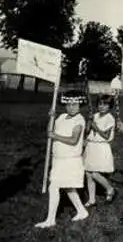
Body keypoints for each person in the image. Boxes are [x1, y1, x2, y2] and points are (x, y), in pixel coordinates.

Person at [35, 90, 89, 228]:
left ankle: (50, 219)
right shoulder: (61, 117)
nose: (71, 107)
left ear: (80, 105)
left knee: (54, 186)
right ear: (65, 105)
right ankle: (82, 211)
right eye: (69, 104)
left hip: (70, 160)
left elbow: (73, 140)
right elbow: (49, 132)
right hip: (58, 159)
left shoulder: (79, 120)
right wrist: (51, 118)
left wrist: (55, 136)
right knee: (68, 188)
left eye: (75, 104)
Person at [83, 94, 117, 207]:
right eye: (100, 104)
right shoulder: (95, 115)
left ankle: (110, 189)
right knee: (88, 172)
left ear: (109, 106)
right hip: (91, 146)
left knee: (95, 173)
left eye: (105, 104)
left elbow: (106, 136)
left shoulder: (110, 119)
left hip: (101, 147)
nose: (102, 107)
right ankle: (92, 199)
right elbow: (87, 132)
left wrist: (96, 127)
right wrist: (89, 122)